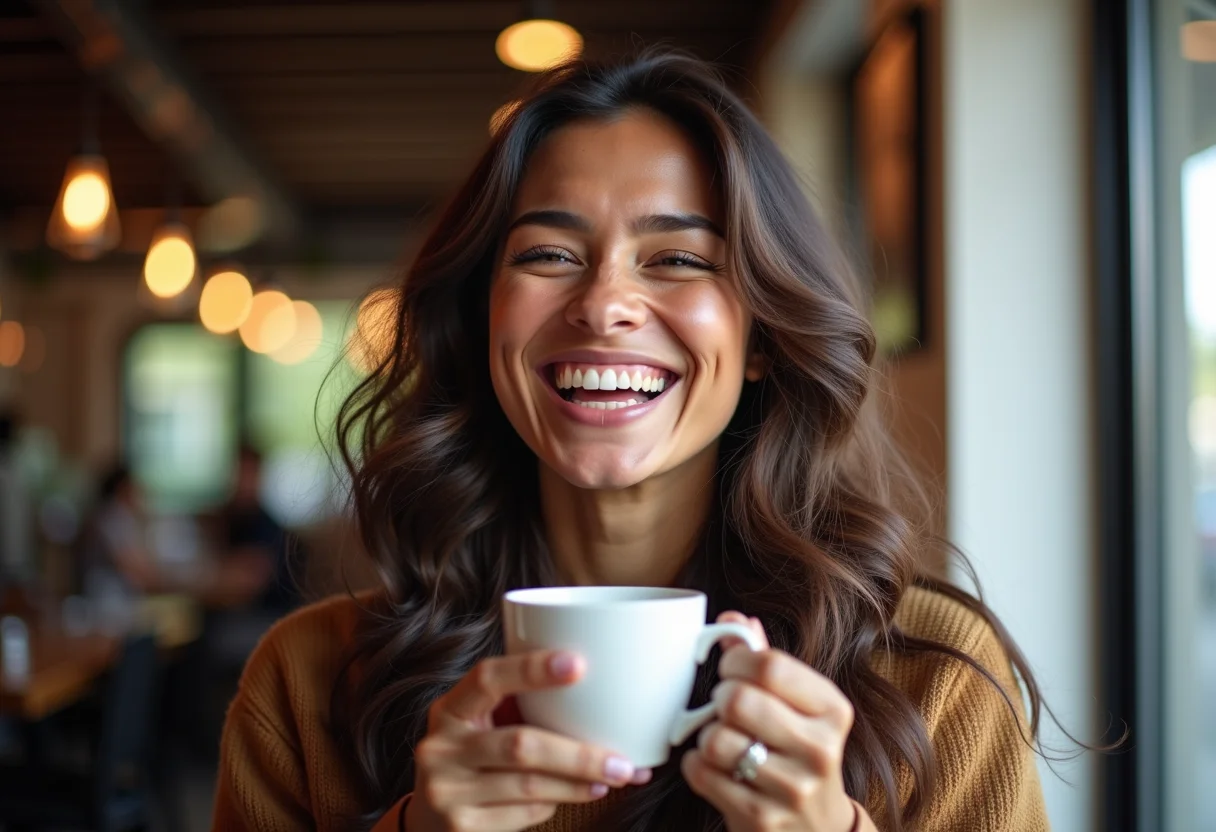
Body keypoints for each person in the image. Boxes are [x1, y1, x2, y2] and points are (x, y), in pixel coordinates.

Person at [214, 51, 1056, 832]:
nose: (604, 303)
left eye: (679, 260)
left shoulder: (931, 680)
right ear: (481, 322)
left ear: (763, 338)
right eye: (548, 253)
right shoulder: (307, 683)